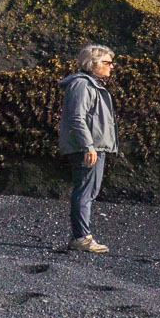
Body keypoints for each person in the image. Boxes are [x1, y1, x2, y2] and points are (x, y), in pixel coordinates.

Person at [59, 44, 118, 253]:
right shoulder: (82, 85)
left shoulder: (88, 84)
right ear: (92, 64)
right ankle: (81, 238)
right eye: (106, 62)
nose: (111, 66)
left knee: (86, 191)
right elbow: (77, 118)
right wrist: (88, 146)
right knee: (85, 192)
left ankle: (81, 237)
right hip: (87, 148)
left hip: (92, 147)